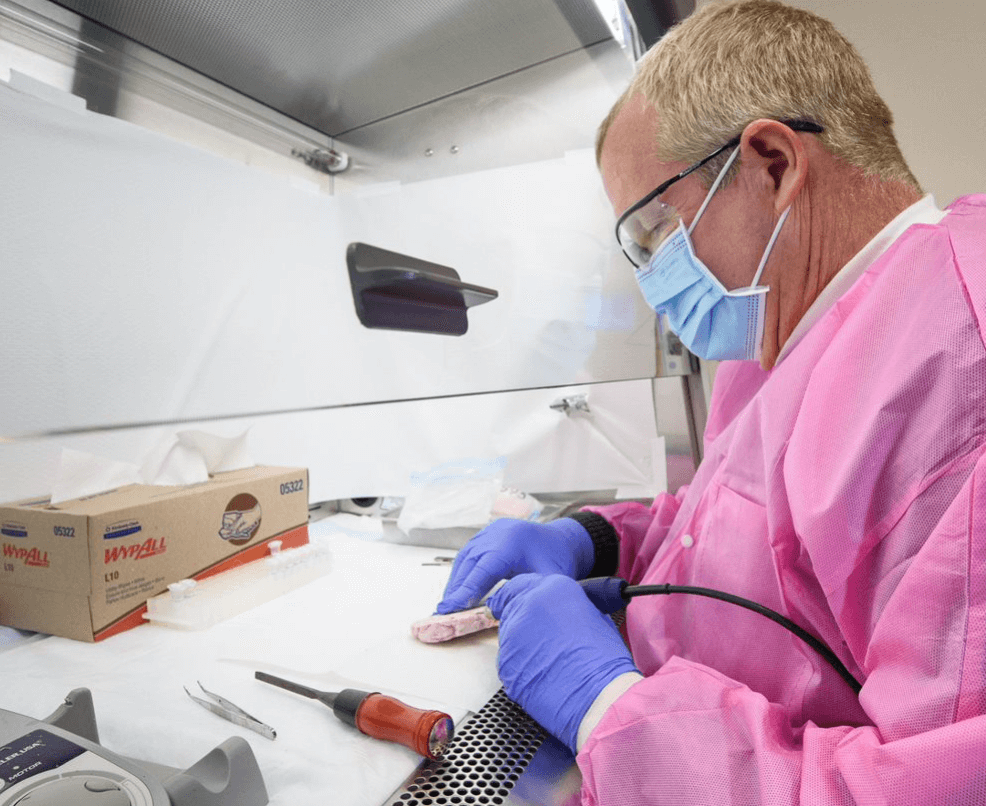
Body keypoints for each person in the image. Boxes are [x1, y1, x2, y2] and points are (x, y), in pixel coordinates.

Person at [435, 1, 986, 803]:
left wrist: (609, 708)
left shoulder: (956, 350)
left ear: (770, 163)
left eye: (656, 231)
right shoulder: (780, 330)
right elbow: (733, 523)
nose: (654, 276)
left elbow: (936, 783)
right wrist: (592, 540)